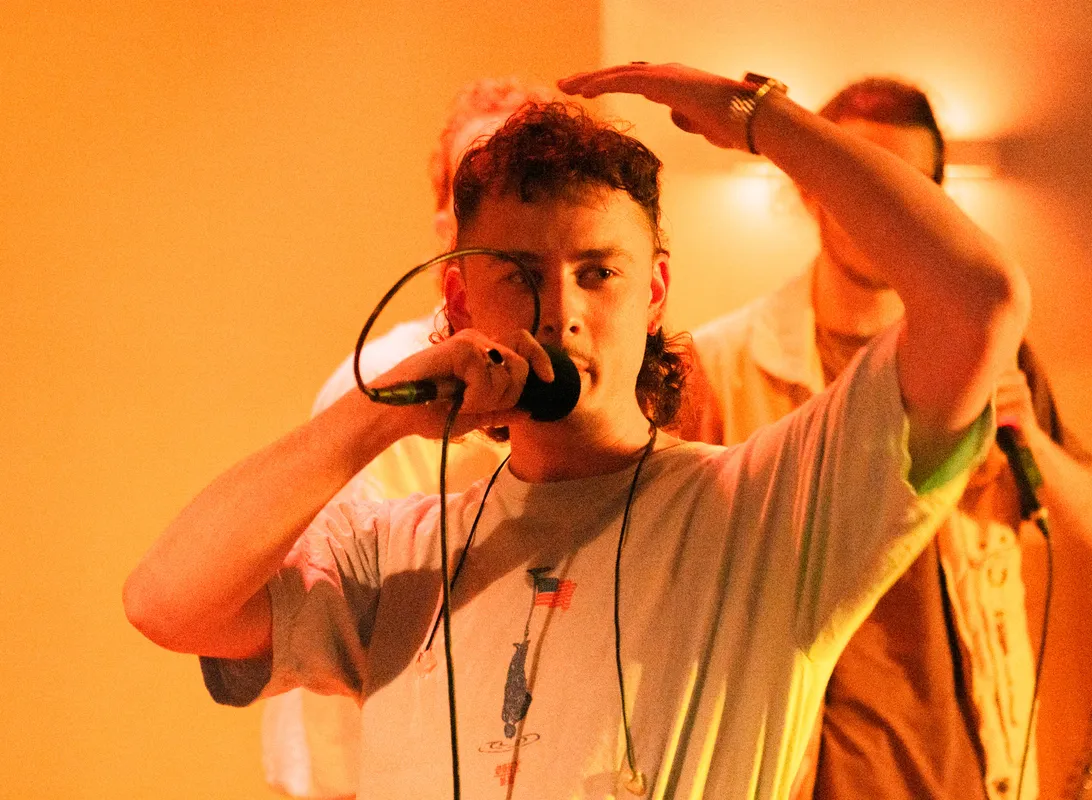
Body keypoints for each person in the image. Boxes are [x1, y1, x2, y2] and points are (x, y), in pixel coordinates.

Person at [124, 62, 1030, 798]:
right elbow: (166, 603)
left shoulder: (768, 513)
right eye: (518, 275)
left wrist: (762, 120)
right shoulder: (397, 549)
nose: (560, 313)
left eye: (598, 273)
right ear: (459, 299)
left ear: (655, 293)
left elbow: (978, 300)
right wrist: (377, 412)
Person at [680, 77, 1092, 800]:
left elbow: (1091, 525)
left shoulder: (991, 353)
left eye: (905, 190)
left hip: (970, 765)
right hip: (801, 773)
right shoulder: (722, 365)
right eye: (862, 182)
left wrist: (1027, 436)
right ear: (812, 189)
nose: (881, 213)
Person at [262, 77, 557, 799]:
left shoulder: (589, 379)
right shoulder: (378, 386)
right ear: (445, 230)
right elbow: (336, 608)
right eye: (477, 191)